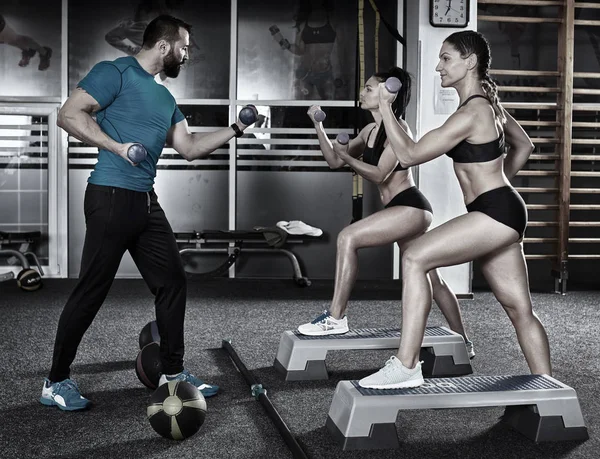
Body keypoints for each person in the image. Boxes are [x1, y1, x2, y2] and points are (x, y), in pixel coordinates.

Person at [40, 15, 254, 411]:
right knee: (91, 291)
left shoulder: (166, 98)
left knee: (173, 282)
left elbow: (188, 147)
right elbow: (68, 114)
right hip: (110, 196)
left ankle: (173, 374)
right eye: (184, 47)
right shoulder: (114, 72)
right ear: (164, 46)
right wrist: (117, 147)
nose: (186, 55)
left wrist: (236, 129)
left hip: (144, 201)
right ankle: (56, 381)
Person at [359, 31, 552, 390]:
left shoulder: (474, 112)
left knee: (415, 257)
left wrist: (385, 106)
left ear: (470, 62)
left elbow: (409, 155)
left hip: (495, 212)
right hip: (501, 209)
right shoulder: (487, 105)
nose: (438, 66)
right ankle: (549, 393)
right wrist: (499, 184)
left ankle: (406, 364)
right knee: (519, 310)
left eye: (446, 58)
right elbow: (523, 145)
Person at [297, 66, 474, 359]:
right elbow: (333, 161)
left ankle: (336, 318)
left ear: (387, 92)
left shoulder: (399, 128)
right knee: (435, 280)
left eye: (369, 87)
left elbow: (380, 174)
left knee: (347, 237)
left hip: (411, 206)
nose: (363, 92)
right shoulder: (369, 131)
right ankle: (464, 343)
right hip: (399, 209)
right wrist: (319, 126)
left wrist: (346, 157)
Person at [270, 0, 338, 99]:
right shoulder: (303, 24)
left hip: (325, 74)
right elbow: (300, 50)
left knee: (329, 107)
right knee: (303, 108)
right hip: (306, 74)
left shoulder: (333, 20)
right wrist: (287, 45)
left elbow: (343, 47)